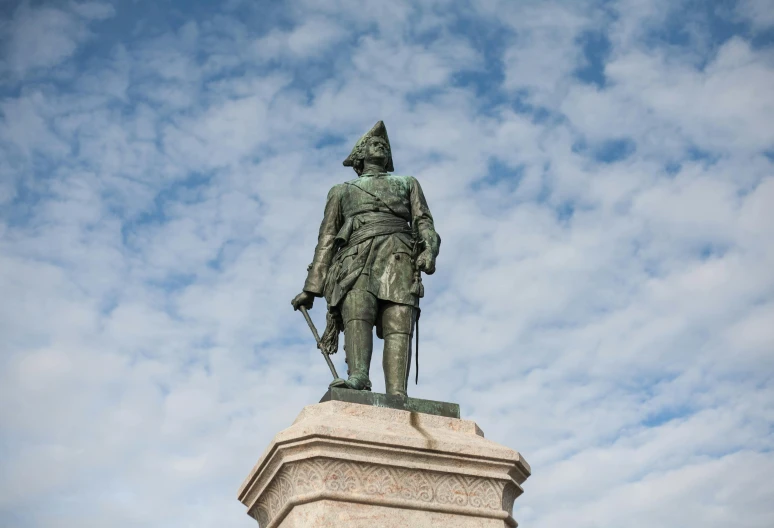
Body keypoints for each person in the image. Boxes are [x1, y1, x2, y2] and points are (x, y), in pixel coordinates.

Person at [291, 121, 441, 397]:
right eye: (374, 143)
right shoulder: (341, 191)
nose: (381, 146)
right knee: (358, 314)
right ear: (360, 154)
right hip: (355, 260)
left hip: (399, 255)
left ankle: (398, 393)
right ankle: (358, 376)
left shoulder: (408, 184)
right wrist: (311, 289)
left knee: (398, 321)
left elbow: (424, 222)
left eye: (384, 145)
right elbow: (326, 239)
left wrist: (429, 250)